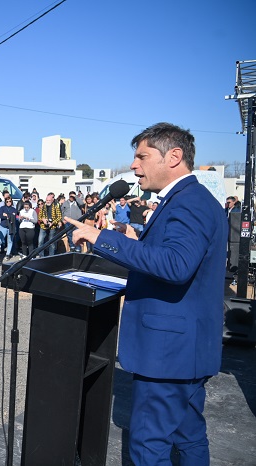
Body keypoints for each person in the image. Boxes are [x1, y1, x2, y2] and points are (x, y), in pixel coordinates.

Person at [65, 123, 227, 464]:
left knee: (148, 446)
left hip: (168, 354)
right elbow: (181, 259)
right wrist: (134, 239)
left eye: (142, 156)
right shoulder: (192, 200)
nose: (134, 166)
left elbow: (176, 265)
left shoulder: (187, 204)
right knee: (189, 437)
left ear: (174, 157)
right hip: (187, 351)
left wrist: (100, 238)